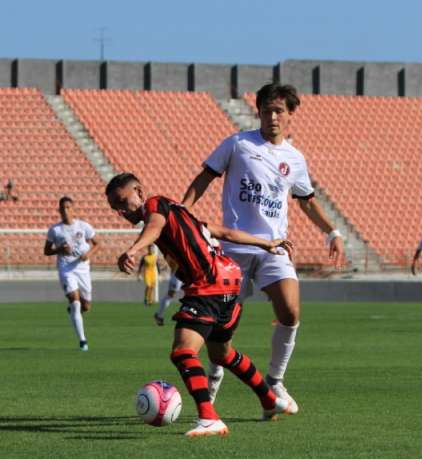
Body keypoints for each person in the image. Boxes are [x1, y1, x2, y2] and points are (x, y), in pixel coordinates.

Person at [181, 82, 344, 408]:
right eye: (267, 110)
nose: (272, 117)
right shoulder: (238, 144)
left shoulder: (295, 158)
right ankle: (215, 371)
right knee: (222, 324)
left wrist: (332, 232)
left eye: (279, 111)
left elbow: (307, 201)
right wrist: (182, 212)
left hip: (273, 247)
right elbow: (205, 177)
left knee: (291, 310)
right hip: (234, 248)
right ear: (258, 112)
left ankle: (275, 380)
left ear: (291, 114)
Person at [107, 172, 298, 437]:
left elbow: (154, 227)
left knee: (182, 352)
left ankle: (209, 418)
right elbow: (223, 231)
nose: (120, 211)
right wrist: (265, 243)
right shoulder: (180, 212)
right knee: (222, 354)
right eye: (114, 208)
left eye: (121, 201)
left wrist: (133, 249)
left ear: (139, 191)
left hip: (208, 285)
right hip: (230, 282)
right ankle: (269, 400)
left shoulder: (155, 205)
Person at [44, 196, 99, 351]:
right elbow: (46, 251)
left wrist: (88, 254)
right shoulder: (55, 230)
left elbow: (97, 244)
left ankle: (74, 311)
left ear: (73, 209)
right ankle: (83, 341)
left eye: (68, 207)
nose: (65, 211)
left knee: (86, 306)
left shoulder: (83, 226)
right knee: (75, 302)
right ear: (59, 210)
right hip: (66, 269)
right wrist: (60, 249)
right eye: (63, 208)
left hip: (82, 269)